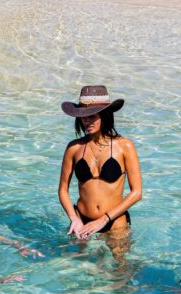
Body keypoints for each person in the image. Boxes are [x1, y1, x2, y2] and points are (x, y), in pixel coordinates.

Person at [58, 85, 143, 250]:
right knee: (80, 269)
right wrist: (74, 218)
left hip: (114, 221)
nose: (87, 121)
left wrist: (103, 220)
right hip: (82, 221)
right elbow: (63, 190)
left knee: (121, 270)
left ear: (105, 115)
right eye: (83, 117)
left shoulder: (124, 146)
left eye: (92, 116)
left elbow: (137, 193)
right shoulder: (74, 148)